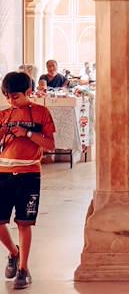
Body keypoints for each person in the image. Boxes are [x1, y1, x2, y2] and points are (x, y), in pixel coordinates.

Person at [1, 71, 57, 290]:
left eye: (15, 96)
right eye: (6, 96)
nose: (10, 100)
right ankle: (14, 253)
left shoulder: (42, 113)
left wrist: (26, 133)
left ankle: (24, 269)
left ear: (28, 92)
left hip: (29, 174)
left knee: (24, 222)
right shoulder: (4, 115)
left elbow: (50, 144)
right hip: (3, 173)